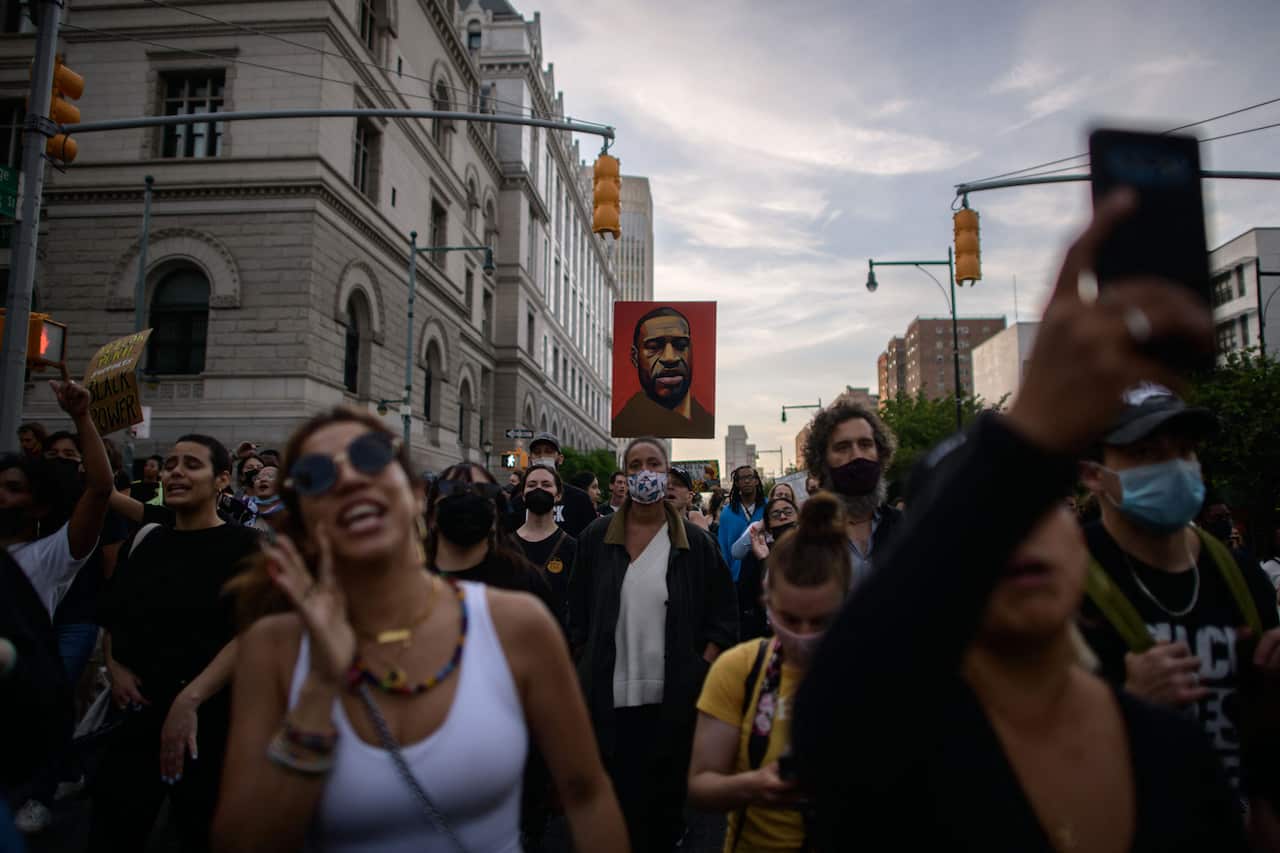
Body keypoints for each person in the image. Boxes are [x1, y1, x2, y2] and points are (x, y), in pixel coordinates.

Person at [791, 192, 1245, 850]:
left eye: (1038, 509)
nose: (1017, 537)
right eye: (997, 516)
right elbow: (836, 695)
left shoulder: (1173, 751)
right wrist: (1028, 438)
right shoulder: (891, 741)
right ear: (948, 551)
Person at [212, 407, 626, 851]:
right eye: (316, 474)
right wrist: (319, 686)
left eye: (369, 457)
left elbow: (586, 794)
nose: (349, 478)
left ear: (413, 493)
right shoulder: (275, 646)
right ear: (300, 518)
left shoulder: (518, 625)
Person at [1077, 385, 1280, 801]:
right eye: (1146, 454)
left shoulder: (1238, 575)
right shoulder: (1065, 581)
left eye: (1184, 451)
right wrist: (1128, 709)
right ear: (1094, 474)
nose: (1172, 468)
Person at [91, 434, 261, 852]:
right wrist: (115, 669)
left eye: (192, 464)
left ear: (222, 479)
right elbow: (115, 618)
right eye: (170, 464)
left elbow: (250, 633)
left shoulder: (249, 547)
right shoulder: (146, 540)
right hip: (135, 717)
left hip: (209, 722)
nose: (176, 472)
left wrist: (189, 702)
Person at [569, 436, 738, 852]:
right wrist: (584, 663)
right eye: (636, 464)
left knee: (664, 816)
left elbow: (722, 618)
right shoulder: (595, 538)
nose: (645, 472)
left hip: (673, 703)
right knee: (616, 813)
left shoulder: (696, 545)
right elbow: (577, 614)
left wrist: (699, 666)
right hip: (609, 701)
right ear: (624, 476)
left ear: (666, 473)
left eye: (654, 464)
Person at [689, 494, 850, 852]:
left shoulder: (880, 671)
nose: (805, 635)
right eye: (792, 619)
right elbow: (701, 786)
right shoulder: (739, 670)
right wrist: (755, 785)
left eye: (821, 621)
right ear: (769, 605)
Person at [2, 381, 112, 833]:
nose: (1, 495)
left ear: (38, 505)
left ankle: (39, 792)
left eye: (13, 488)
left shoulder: (47, 557)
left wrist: (82, 419)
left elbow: (100, 489)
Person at [802, 399, 904, 587]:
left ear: (880, 453)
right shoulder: (805, 542)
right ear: (822, 461)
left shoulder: (909, 529)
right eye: (843, 447)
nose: (857, 455)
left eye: (865, 444)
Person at [612, 306, 715, 438]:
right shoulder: (624, 422)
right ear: (635, 357)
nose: (669, 358)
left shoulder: (704, 420)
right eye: (654, 347)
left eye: (681, 345)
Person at [514, 465, 576, 631]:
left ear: (558, 495)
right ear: (523, 495)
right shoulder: (505, 546)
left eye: (546, 485)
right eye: (532, 485)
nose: (539, 489)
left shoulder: (572, 548)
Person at [505, 433, 597, 536]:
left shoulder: (579, 499)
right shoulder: (518, 498)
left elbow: (591, 538)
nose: (542, 456)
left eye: (549, 452)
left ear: (560, 459)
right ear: (530, 459)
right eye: (537, 452)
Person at [736, 496, 801, 641]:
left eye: (788, 512)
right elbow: (747, 599)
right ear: (769, 527)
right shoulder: (756, 556)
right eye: (776, 514)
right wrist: (764, 561)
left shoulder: (817, 552)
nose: (783, 517)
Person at [728, 482, 798, 564]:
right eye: (779, 495)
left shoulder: (801, 526)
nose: (783, 498)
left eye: (787, 496)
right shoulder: (758, 526)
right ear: (771, 499)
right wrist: (758, 528)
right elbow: (736, 553)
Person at [717, 466, 765, 582]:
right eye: (742, 478)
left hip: (765, 575)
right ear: (737, 483)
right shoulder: (727, 513)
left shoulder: (768, 507)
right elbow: (723, 548)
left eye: (750, 477)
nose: (747, 481)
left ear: (756, 481)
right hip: (736, 579)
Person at [251, 464, 285, 531]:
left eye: (271, 477)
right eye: (258, 478)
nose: (263, 480)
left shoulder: (288, 511)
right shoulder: (242, 506)